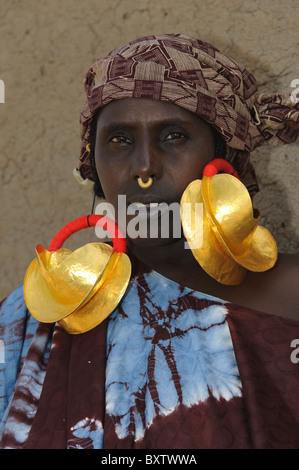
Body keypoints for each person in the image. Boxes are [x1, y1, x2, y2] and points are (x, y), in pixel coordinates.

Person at [0, 34, 299, 449]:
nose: (143, 168)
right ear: (93, 163)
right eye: (119, 139)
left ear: (224, 156)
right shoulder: (34, 318)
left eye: (174, 136)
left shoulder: (291, 296)